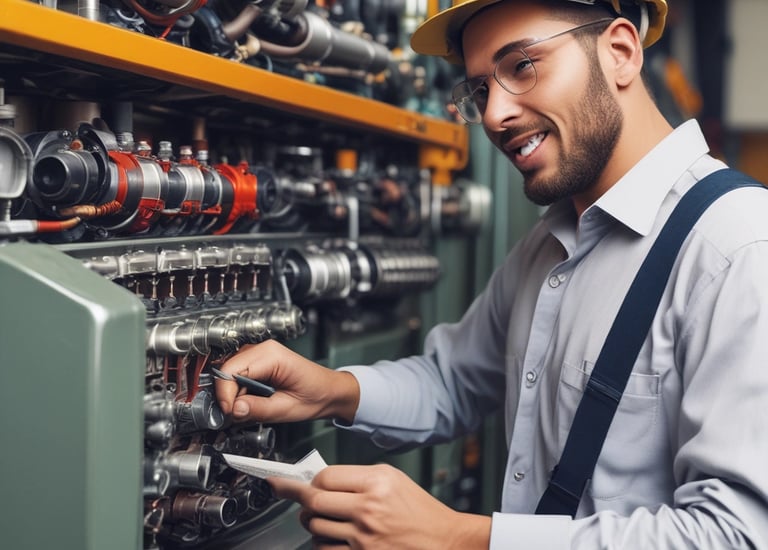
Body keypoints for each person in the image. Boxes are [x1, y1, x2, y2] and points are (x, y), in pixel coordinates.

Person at [215, 0, 768, 547]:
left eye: (522, 66)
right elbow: (453, 382)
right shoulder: (549, 245)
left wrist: (456, 537)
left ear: (620, 52)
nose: (496, 114)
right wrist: (332, 391)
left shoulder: (737, 246)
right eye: (480, 90)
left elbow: (735, 534)